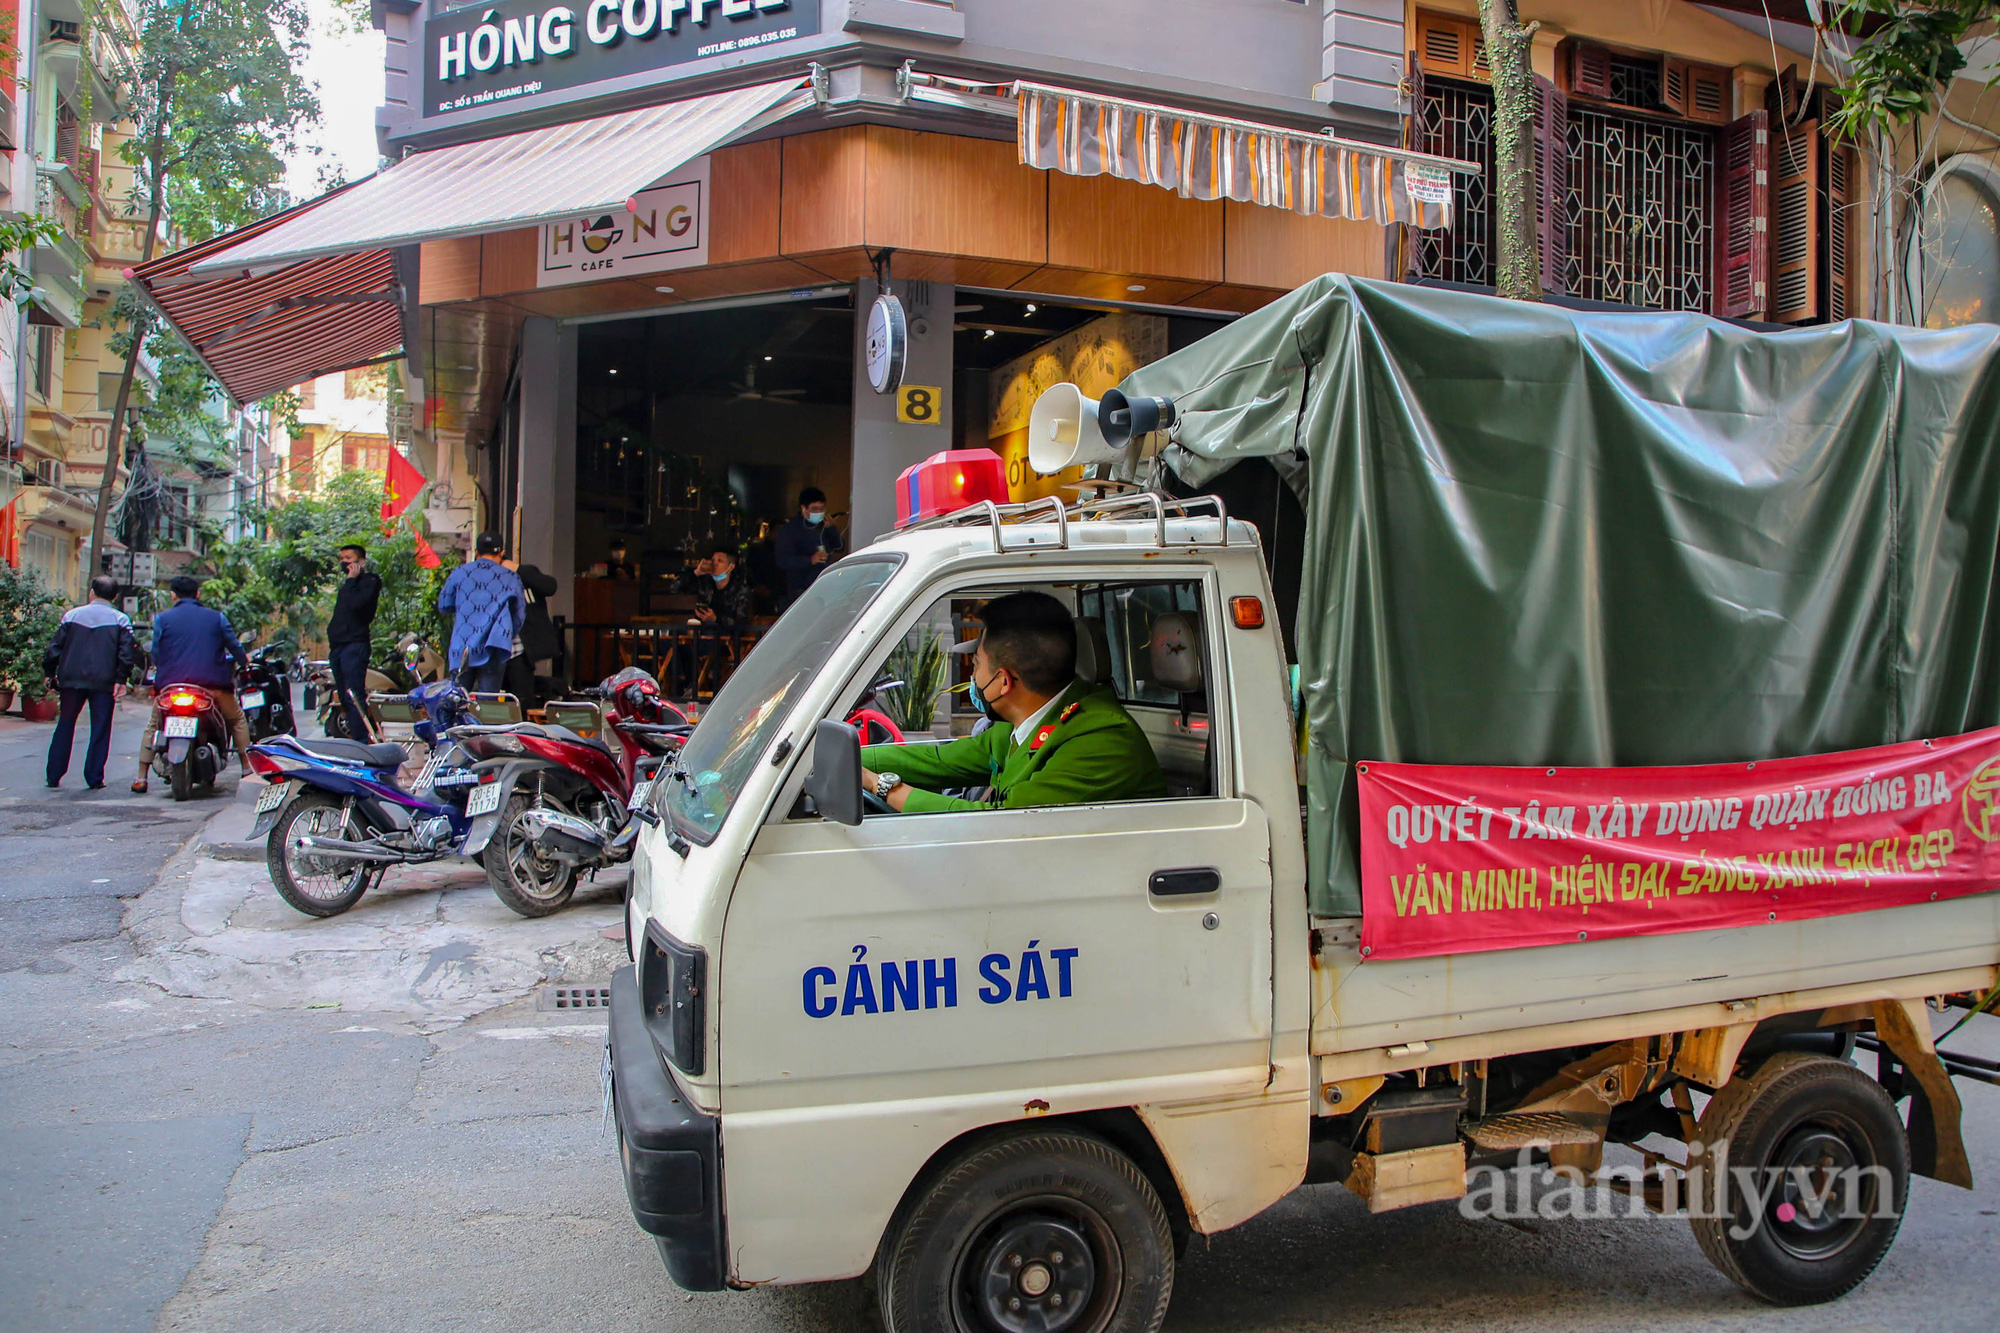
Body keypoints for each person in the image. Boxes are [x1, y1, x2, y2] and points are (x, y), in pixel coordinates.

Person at [859, 591, 1165, 813]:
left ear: (1004, 682)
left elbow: (1000, 822)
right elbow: (938, 760)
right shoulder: (1024, 722)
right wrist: (848, 759)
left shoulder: (1101, 741)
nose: (973, 678)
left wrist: (881, 786)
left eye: (976, 664)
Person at [134, 575, 252, 793]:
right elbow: (234, 646)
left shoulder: (162, 619)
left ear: (173, 595)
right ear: (198, 594)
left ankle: (141, 777)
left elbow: (157, 653)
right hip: (211, 686)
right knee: (236, 720)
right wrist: (244, 660)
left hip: (170, 686)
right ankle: (246, 768)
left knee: (153, 725)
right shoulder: (216, 618)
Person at [42, 574, 136, 790]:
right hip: (103, 682)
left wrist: (49, 673)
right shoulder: (120, 619)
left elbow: (55, 648)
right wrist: (121, 678)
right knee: (100, 727)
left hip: (71, 679)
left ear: (91, 592)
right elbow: (126, 654)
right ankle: (94, 777)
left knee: (65, 724)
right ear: (114, 596)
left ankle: (54, 774)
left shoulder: (72, 616)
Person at [437, 532, 527, 693]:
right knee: (487, 705)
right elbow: (519, 616)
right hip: (493, 647)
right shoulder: (511, 578)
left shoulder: (460, 573)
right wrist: (507, 634)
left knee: (456, 702)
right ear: (501, 553)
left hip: (462, 646)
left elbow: (444, 605)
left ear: (476, 552)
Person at [674, 546, 753, 696]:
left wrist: (716, 618)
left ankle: (702, 682)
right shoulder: (706, 584)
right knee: (676, 636)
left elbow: (740, 622)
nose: (715, 564)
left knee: (706, 636)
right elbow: (674, 588)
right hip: (703, 631)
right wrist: (696, 572)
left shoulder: (741, 590)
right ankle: (684, 680)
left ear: (731, 567)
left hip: (727, 638)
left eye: (720, 561)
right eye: (713, 560)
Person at [325, 543, 381, 741]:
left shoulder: (369, 581)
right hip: (338, 646)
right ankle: (355, 740)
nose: (344, 563)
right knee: (344, 696)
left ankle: (361, 742)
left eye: (348, 558)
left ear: (360, 561)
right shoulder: (347, 586)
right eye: (342, 559)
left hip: (354, 645)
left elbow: (358, 606)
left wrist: (351, 580)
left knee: (353, 696)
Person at [774, 487, 844, 606]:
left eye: (822, 509)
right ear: (804, 509)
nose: (819, 512)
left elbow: (839, 547)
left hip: (824, 585)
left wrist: (832, 528)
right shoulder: (790, 530)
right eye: (815, 509)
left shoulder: (824, 526)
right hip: (801, 589)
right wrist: (810, 560)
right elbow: (782, 560)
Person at [504, 558, 559, 704]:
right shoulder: (482, 578)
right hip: (492, 651)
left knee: (522, 698)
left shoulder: (522, 576)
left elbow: (550, 586)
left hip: (518, 649)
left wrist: (518, 569)